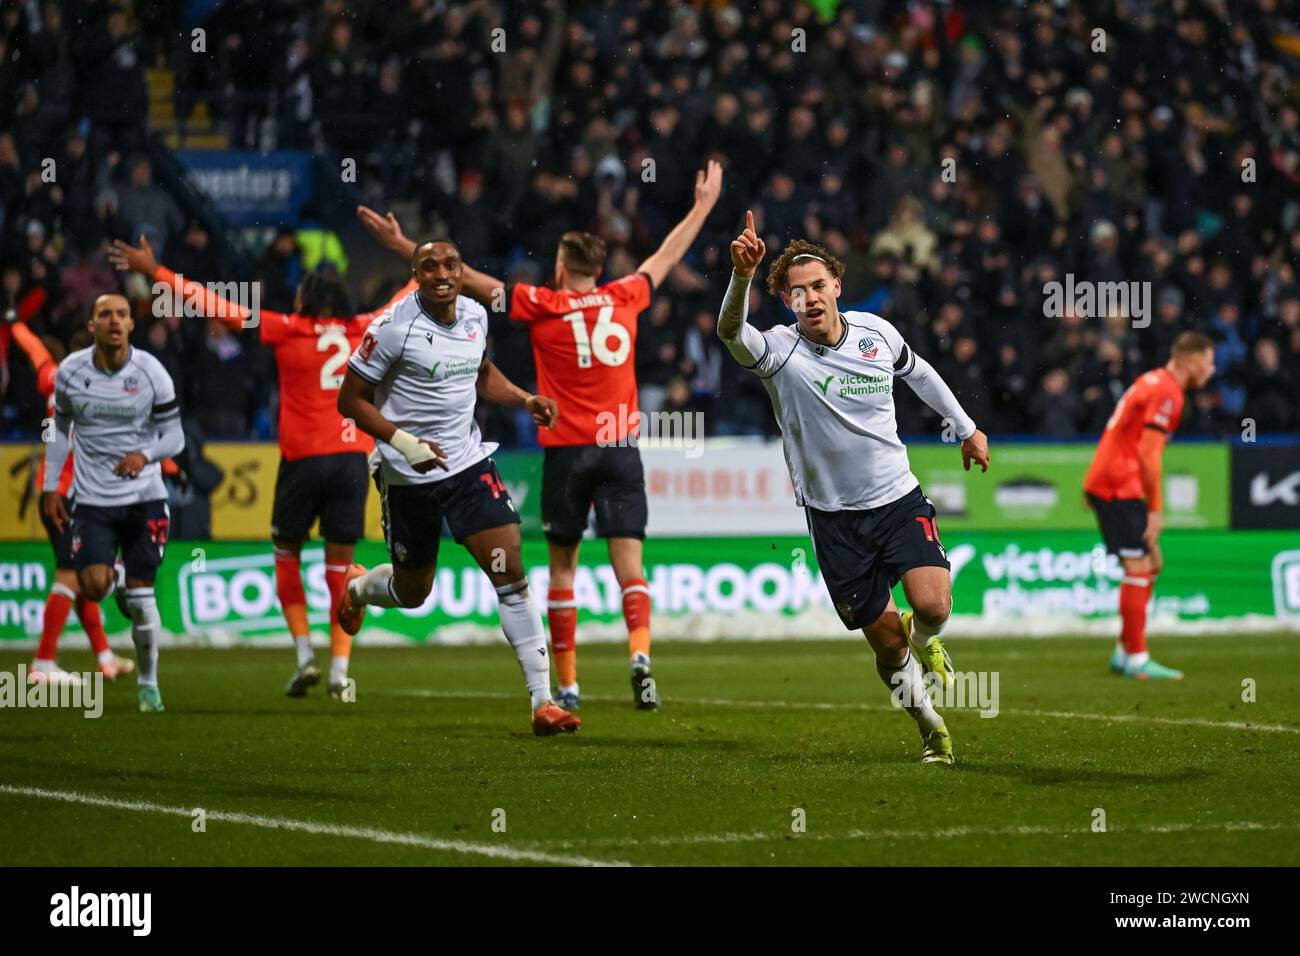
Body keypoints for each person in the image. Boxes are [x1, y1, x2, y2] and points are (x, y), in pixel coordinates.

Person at [357, 159, 724, 710]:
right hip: (620, 448)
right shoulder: (626, 296)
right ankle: (640, 656)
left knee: (559, 570)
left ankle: (566, 686)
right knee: (630, 567)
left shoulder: (542, 304)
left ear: (559, 264)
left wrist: (403, 244)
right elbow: (667, 255)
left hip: (567, 452)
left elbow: (466, 281)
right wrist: (702, 205)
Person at [717, 213, 991, 764]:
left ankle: (926, 634)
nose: (811, 299)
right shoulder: (778, 353)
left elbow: (920, 374)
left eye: (819, 286)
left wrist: (966, 427)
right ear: (787, 303)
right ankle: (930, 726)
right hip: (834, 520)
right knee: (887, 646)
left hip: (897, 498)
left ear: (837, 285)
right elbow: (729, 332)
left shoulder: (877, 333)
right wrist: (741, 277)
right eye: (798, 293)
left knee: (933, 605)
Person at [109, 236, 416, 699]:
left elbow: (212, 303)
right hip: (353, 460)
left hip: (303, 461)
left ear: (306, 302)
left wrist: (157, 272)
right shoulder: (364, 326)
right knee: (341, 568)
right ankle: (339, 672)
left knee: (286, 554)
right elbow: (408, 294)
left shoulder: (285, 326)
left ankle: (304, 657)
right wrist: (420, 255)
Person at [335, 238, 580, 737]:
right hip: (409, 476)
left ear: (462, 270)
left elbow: (479, 372)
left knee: (510, 573)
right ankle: (358, 588)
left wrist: (524, 399)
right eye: (430, 266)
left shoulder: (474, 315)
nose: (443, 273)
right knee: (413, 592)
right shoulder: (392, 329)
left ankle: (542, 702)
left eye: (451, 264)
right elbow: (349, 401)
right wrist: (404, 443)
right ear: (416, 275)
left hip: (468, 465)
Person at [42, 292, 186, 712]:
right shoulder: (69, 372)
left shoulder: (152, 373)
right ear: (92, 325)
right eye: (104, 314)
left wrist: (146, 456)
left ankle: (148, 682)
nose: (114, 321)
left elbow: (174, 437)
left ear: (131, 324)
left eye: (122, 314)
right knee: (91, 585)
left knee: (141, 603)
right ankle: (119, 577)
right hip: (91, 500)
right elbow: (56, 427)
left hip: (146, 497)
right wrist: (52, 485)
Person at [6, 313, 132, 683]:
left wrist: (14, 323)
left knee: (77, 576)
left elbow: (36, 354)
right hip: (72, 497)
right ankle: (43, 663)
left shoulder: (56, 379)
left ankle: (105, 657)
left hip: (51, 493)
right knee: (73, 576)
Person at [1084, 332, 1217, 680]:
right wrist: (1155, 508)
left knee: (1151, 563)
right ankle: (1137, 659)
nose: (1212, 369)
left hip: (1114, 479)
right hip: (1119, 484)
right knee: (1139, 566)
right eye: (1208, 361)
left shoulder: (1153, 381)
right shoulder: (1167, 391)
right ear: (1191, 361)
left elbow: (1123, 435)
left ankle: (1125, 650)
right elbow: (1148, 453)